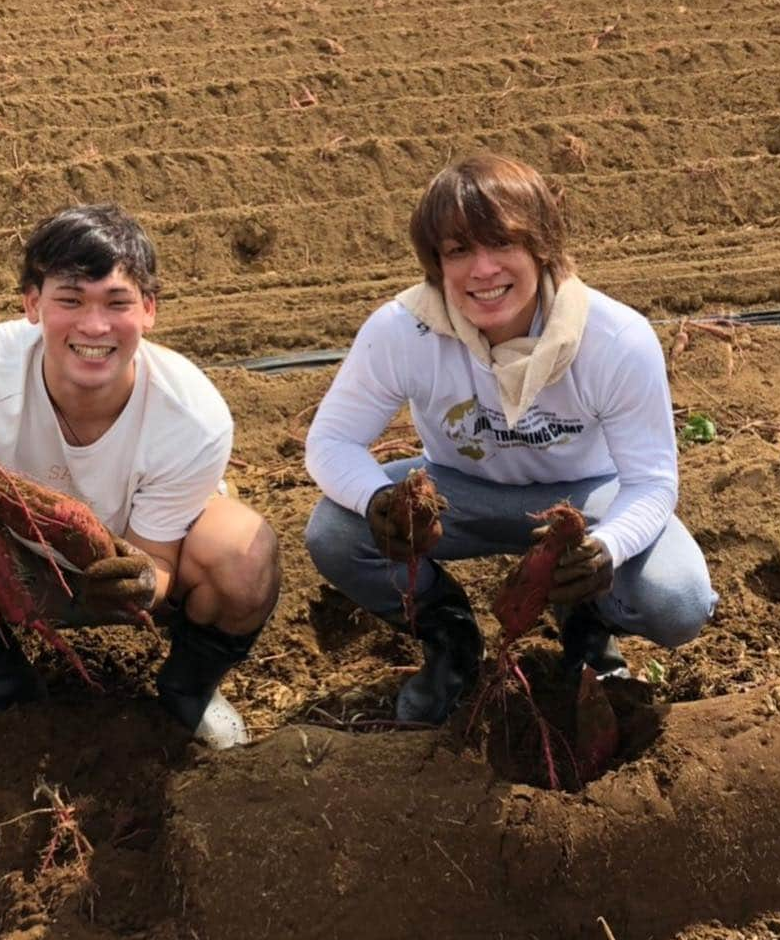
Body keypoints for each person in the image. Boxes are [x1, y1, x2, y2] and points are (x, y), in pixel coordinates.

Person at [0, 204, 279, 748]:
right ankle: (5, 692)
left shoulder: (192, 414)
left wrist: (140, 586)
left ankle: (189, 694)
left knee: (244, 552)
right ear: (33, 304)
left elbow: (160, 560)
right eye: (69, 300)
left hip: (119, 563)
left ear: (149, 310)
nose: (94, 326)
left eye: (117, 302)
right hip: (6, 558)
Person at [304, 156, 715, 725]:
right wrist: (379, 501)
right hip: (459, 492)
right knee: (334, 531)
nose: (483, 270)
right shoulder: (403, 331)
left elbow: (649, 482)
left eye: (502, 243)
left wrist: (608, 549)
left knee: (678, 600)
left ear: (542, 246)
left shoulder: (614, 338)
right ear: (436, 264)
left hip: (587, 501)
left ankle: (587, 628)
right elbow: (331, 442)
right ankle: (449, 639)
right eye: (458, 251)